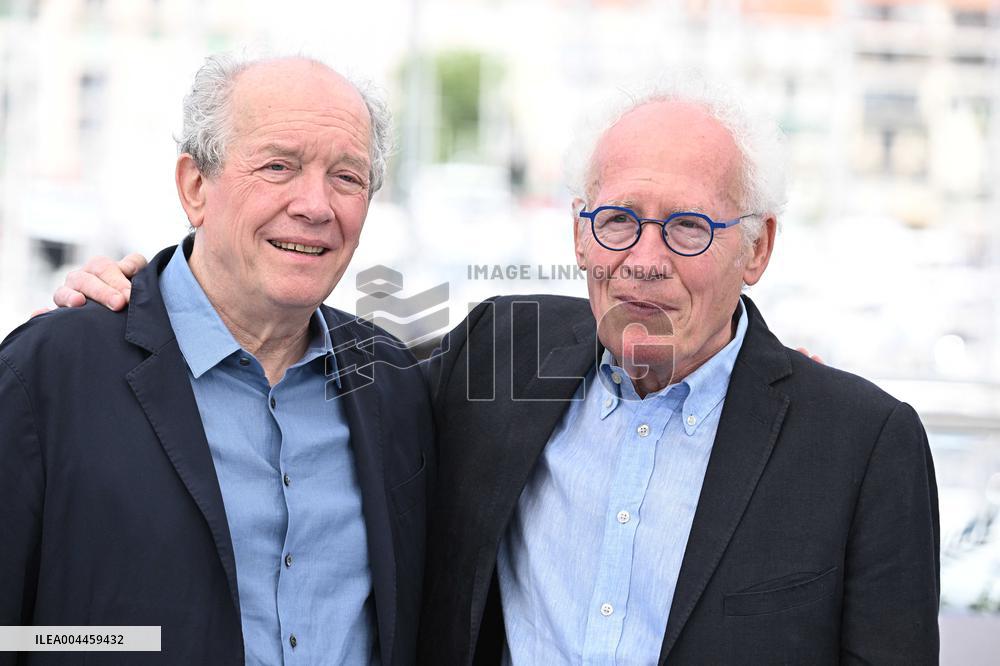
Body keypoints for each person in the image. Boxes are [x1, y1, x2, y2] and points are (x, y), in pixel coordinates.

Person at [50, 84, 939, 664]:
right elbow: (286, 343)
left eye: (690, 228)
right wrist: (152, 296)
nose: (644, 259)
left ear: (759, 248)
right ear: (579, 233)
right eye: (618, 219)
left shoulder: (860, 449)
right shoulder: (498, 355)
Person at [0, 53, 432, 665]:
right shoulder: (51, 374)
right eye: (279, 166)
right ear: (195, 187)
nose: (315, 205)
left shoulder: (396, 385)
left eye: (347, 177)